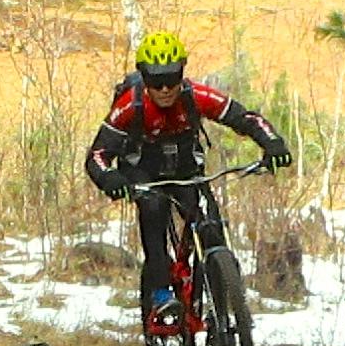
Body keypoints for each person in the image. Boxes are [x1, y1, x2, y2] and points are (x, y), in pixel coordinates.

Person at [84, 30, 292, 329]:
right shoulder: (131, 105)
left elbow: (245, 118)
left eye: (173, 77)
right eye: (156, 81)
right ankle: (160, 293)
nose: (166, 88)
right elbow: (97, 155)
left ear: (182, 72)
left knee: (211, 228)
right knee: (153, 211)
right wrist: (111, 180)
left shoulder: (196, 96)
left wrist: (272, 143)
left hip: (186, 170)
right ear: (144, 78)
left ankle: (223, 308)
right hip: (142, 173)